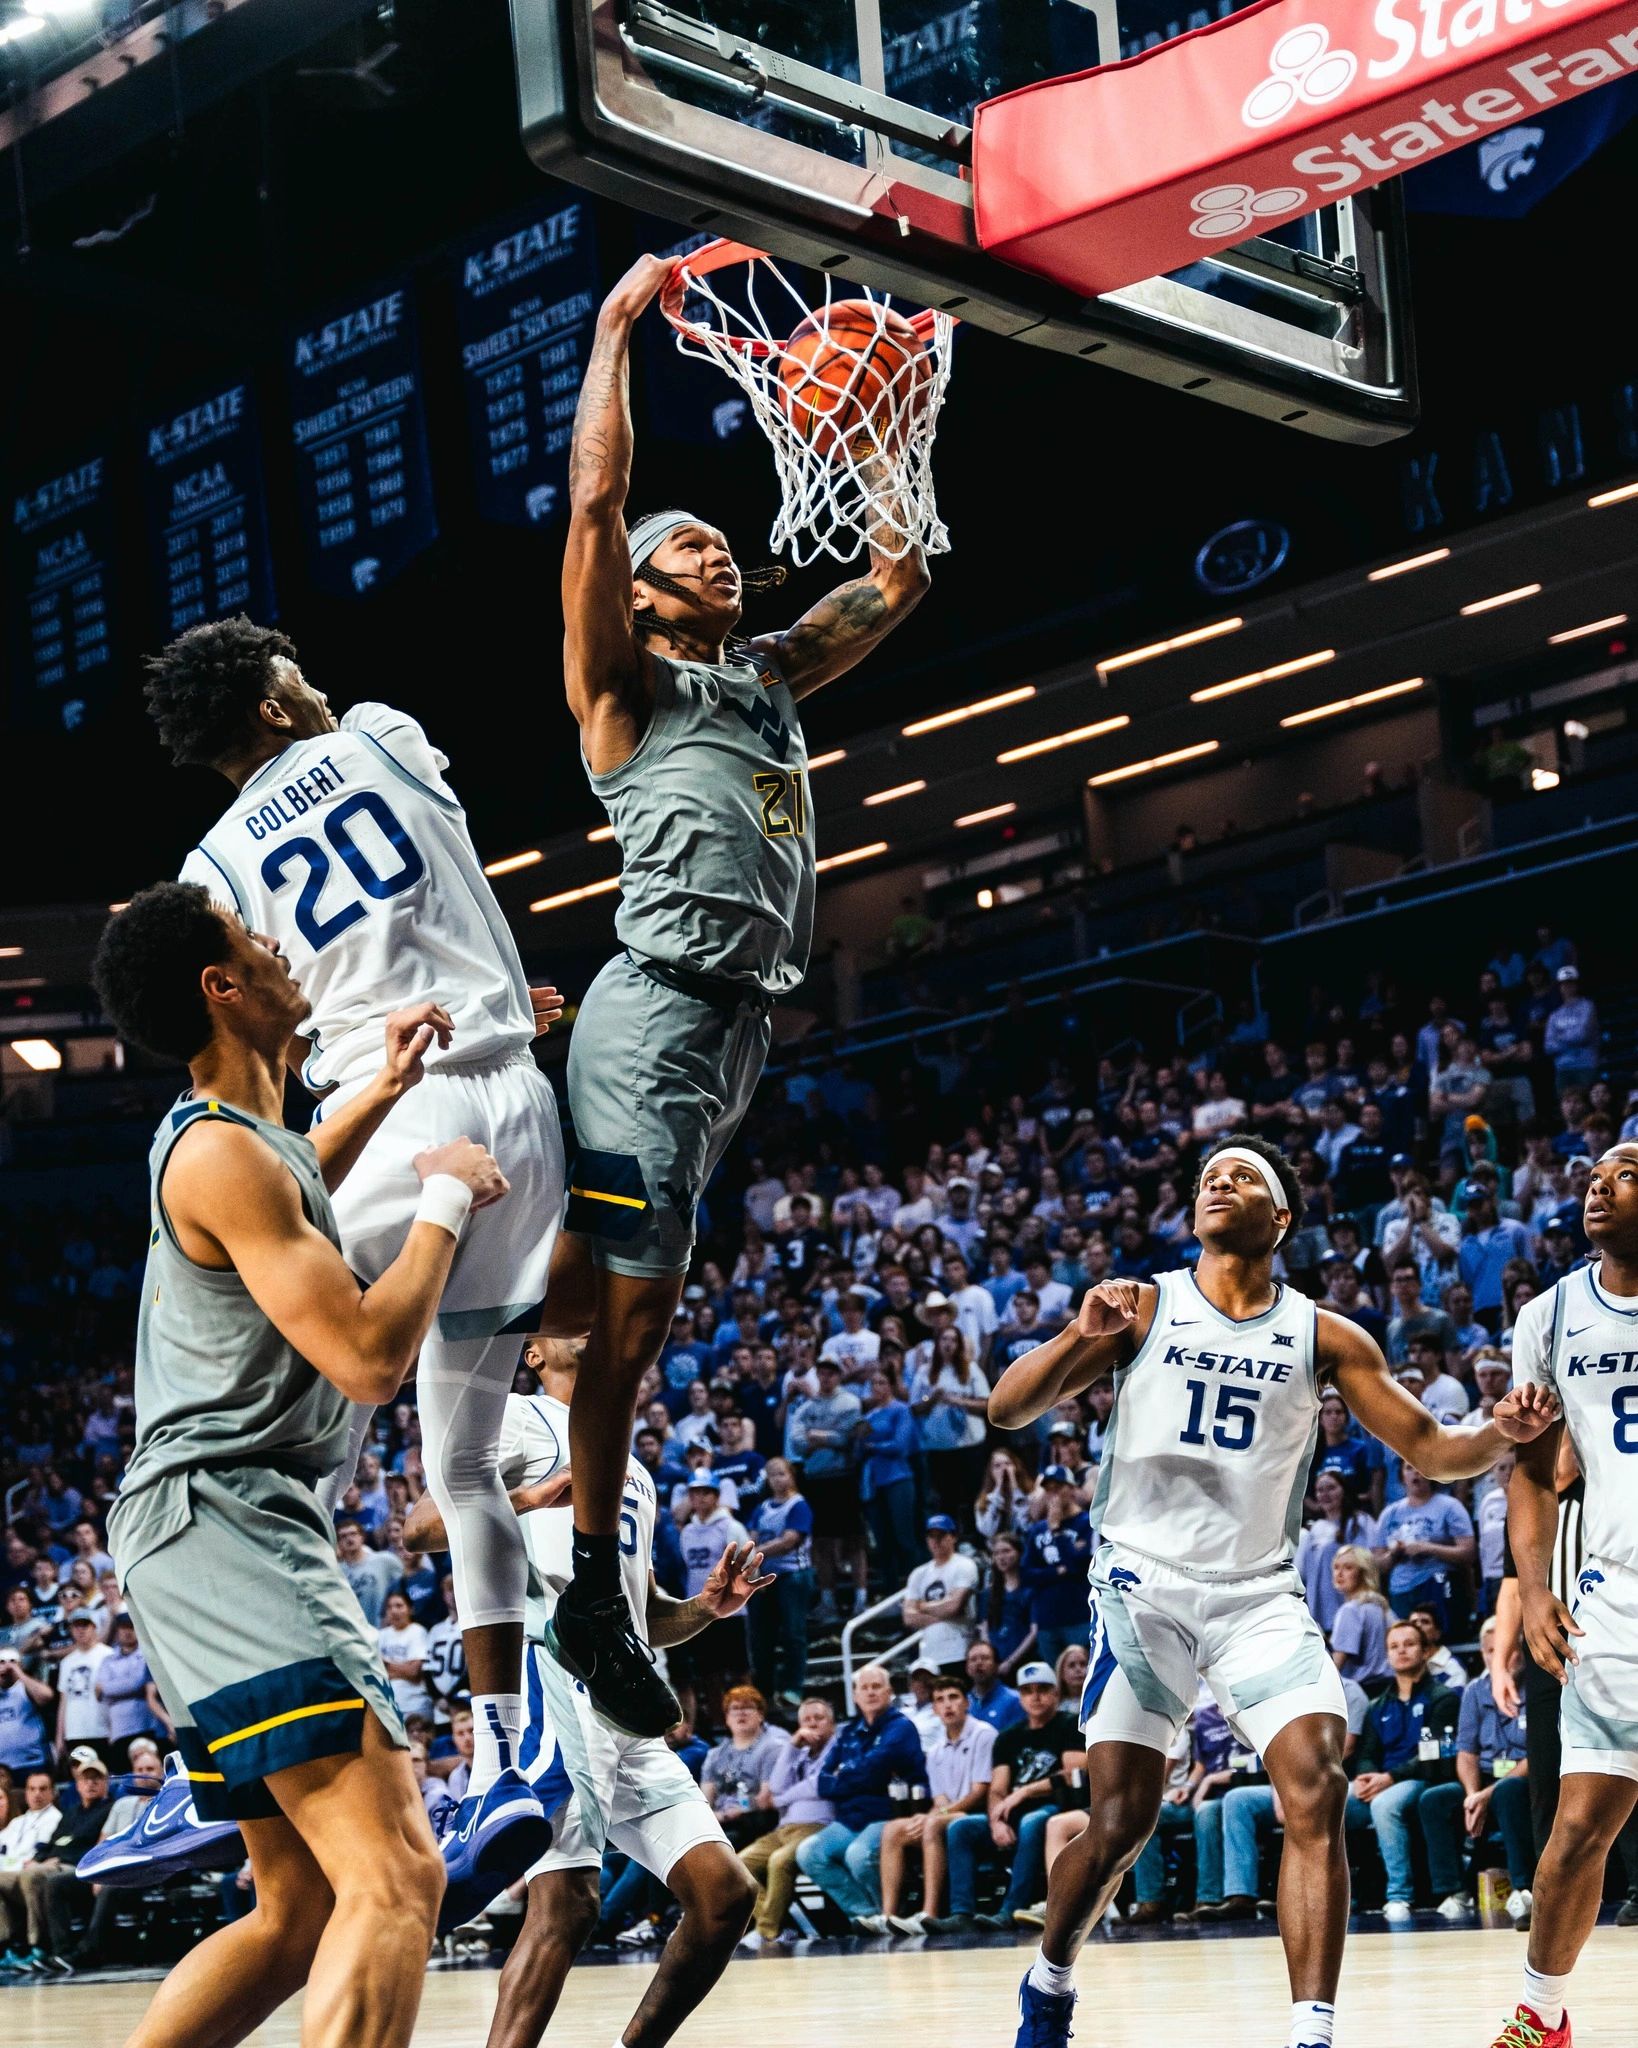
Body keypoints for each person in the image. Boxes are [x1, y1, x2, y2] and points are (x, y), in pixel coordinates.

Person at [546, 252, 930, 1739]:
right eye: (686, 544)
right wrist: (613, 332)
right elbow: (591, 505)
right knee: (624, 1329)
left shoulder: (766, 671)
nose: (715, 550)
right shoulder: (620, 688)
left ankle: (584, 1561)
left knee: (627, 1317)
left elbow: (892, 580)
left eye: (718, 540)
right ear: (640, 599)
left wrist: (880, 430)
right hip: (652, 1012)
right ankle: (587, 1580)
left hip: (737, 1036)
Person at [146, 617, 567, 1872]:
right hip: (521, 1105)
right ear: (273, 699)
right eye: (292, 669)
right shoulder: (381, 730)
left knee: (281, 1393)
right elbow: (449, 882)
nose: (313, 676)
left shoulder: (212, 862)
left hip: (402, 1102)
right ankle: (502, 1758)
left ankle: (206, 1735)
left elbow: (265, 1044)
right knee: (466, 1462)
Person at [985, 1133, 1554, 2048]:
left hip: (1257, 1596)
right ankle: (1049, 1982)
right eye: (1209, 1177)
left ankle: (1312, 2034)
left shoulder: (1326, 1335)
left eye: (1243, 1175)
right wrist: (1072, 1339)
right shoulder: (1140, 1305)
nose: (1220, 1182)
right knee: (1122, 1822)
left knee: (1317, 1785)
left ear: (1280, 1217)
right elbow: (1008, 1409)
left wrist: (1498, 1431)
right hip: (1143, 1592)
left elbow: (1436, 1451)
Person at [85, 881, 498, 2044]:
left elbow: (294, 1180)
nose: (277, 947)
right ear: (225, 986)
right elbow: (369, 1356)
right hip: (227, 1522)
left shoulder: (240, 1143)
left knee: (303, 1902)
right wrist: (445, 1200)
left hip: (191, 1531)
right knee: (401, 1872)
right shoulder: (223, 1158)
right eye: (253, 942)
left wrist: (388, 1086)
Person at [404, 1335, 764, 2040]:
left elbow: (644, 1616)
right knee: (566, 1902)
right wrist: (530, 1495)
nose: (595, 1327)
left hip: (623, 1692)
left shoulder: (633, 1465)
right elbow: (419, 1529)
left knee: (725, 1897)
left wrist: (706, 1608)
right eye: (574, 1322)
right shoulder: (518, 1419)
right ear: (534, 1354)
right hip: (550, 1676)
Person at [1488, 1142, 1638, 2048]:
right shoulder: (1548, 1315)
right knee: (1579, 1825)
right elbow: (1533, 1471)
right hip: (1612, 1598)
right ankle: (1541, 2017)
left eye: (1624, 1175)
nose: (1598, 1187)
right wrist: (1534, 1589)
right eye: (1592, 1178)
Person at [926, 1663, 1083, 1934]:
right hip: (1011, 1813)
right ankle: (961, 1911)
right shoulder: (1009, 1736)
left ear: (1056, 1694)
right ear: (1019, 1697)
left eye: (1043, 1690)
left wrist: (1024, 1791)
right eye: (1028, 1691)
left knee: (1033, 1821)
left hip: (1056, 1808)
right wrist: (996, 1821)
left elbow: (1072, 1773)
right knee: (960, 1828)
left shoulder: (1070, 1725)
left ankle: (1011, 1910)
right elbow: (997, 1789)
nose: (1035, 1697)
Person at [1417, 1620, 1532, 1925]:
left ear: (1520, 1651)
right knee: (1435, 1800)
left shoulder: (1536, 1687)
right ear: (1483, 1654)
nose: (1501, 1658)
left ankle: (1524, 1887)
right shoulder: (1473, 1691)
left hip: (1524, 1782)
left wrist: (1487, 1794)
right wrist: (1472, 1796)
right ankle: (1453, 1892)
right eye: (1492, 1651)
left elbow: (1538, 1757)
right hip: (1481, 1782)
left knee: (1508, 1792)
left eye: (1507, 1650)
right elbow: (1466, 1752)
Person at [796, 1662, 924, 1935]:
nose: (870, 1692)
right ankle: (866, 1915)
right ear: (854, 1696)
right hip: (850, 1818)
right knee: (808, 1853)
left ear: (889, 1691)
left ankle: (890, 1916)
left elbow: (872, 1770)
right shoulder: (849, 1732)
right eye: (864, 1687)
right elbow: (823, 1782)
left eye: (876, 1686)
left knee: (858, 1856)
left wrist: (847, 1775)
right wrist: (858, 1775)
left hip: (888, 1814)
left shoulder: (901, 1727)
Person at [1349, 1618, 1462, 1922]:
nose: (1401, 1651)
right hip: (1382, 1780)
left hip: (1421, 1779)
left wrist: (1388, 1778)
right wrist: (1365, 1776)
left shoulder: (1443, 1698)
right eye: (1394, 1647)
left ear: (1426, 1651)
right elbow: (1367, 1754)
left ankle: (1399, 1895)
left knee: (1386, 1805)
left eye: (1409, 1644)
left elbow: (1433, 1755)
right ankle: (1343, 1893)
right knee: (1331, 1801)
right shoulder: (1378, 1705)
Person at [881, 1672, 996, 1931]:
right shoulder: (934, 1751)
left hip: (979, 1815)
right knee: (894, 1830)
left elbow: (979, 1792)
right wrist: (929, 1815)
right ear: (933, 1709)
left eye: (953, 1697)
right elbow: (940, 1798)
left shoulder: (983, 1734)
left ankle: (928, 1912)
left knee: (932, 1826)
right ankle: (887, 1916)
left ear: (966, 1703)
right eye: (940, 1700)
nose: (947, 1704)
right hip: (949, 1814)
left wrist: (935, 1816)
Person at [0, 1748, 115, 1975]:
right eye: (85, 1779)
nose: (90, 1784)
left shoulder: (110, 1809)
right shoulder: (71, 1813)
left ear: (106, 1783)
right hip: (55, 1864)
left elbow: (92, 1847)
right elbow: (54, 1844)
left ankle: (40, 1946)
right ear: (78, 1784)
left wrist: (51, 1860)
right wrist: (40, 1860)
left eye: (96, 1779)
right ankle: (6, 1944)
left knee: (37, 1877)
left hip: (79, 1866)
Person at [738, 1696, 837, 1949]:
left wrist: (781, 1798)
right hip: (783, 1828)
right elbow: (777, 1785)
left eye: (819, 1718)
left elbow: (818, 1787)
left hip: (817, 1825)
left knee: (779, 1861)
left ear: (832, 1723)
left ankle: (767, 1931)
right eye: (806, 1720)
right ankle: (776, 1928)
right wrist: (792, 1745)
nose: (812, 1724)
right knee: (740, 1865)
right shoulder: (798, 1752)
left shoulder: (838, 1747)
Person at [745, 1458, 816, 1705]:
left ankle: (793, 1687)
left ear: (791, 1476)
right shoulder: (762, 1507)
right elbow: (750, 1538)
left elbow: (789, 1541)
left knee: (793, 1634)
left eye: (781, 1474)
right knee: (762, 1637)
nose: (777, 1479)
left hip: (793, 1575)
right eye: (772, 1475)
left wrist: (757, 1552)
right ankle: (764, 1691)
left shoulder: (799, 1505)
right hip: (766, 1579)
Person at [1374, 1463, 1476, 1626]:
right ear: (1401, 1475)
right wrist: (1393, 1553)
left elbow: (1469, 1552)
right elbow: (1377, 1564)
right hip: (1400, 1590)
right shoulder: (1389, 1514)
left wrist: (1428, 1548)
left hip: (1437, 1582)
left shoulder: (1450, 1506)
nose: (1415, 1474)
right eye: (1408, 1468)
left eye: (1419, 1468)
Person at [701, 1688, 790, 1848]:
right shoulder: (714, 1754)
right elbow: (705, 1800)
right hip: (719, 1822)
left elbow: (766, 1799)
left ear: (761, 1715)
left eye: (748, 1707)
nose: (741, 1713)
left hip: (754, 1820)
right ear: (726, 1718)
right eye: (735, 1708)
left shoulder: (773, 1748)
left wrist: (730, 1814)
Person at [0, 1766, 61, 1973]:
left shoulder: (55, 1819)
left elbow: (40, 1855)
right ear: (25, 1792)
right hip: (12, 1874)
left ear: (52, 1792)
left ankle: (37, 1945)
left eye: (43, 1789)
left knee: (28, 1875)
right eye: (32, 1789)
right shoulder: (17, 1822)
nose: (37, 1794)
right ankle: (7, 1946)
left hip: (34, 1876)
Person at [901, 1516, 980, 1675]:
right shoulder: (918, 1573)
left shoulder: (964, 1565)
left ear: (954, 1537)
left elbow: (953, 1606)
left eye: (941, 1535)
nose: (936, 1541)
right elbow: (908, 1617)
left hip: (960, 1649)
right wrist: (946, 1612)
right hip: (930, 1654)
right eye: (931, 1536)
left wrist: (922, 1606)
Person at [1328, 1548, 1392, 1687]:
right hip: (1388, 1686)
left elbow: (1335, 1666)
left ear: (1363, 1573)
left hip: (1363, 1689)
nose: (1339, 1573)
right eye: (1336, 1567)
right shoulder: (1382, 1606)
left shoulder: (1350, 1610)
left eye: (1348, 1568)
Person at [965, 1638, 1027, 1735]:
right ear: (967, 1668)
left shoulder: (1015, 1700)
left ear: (996, 1665)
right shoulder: (963, 1703)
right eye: (973, 1659)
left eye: (985, 1658)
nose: (979, 1663)